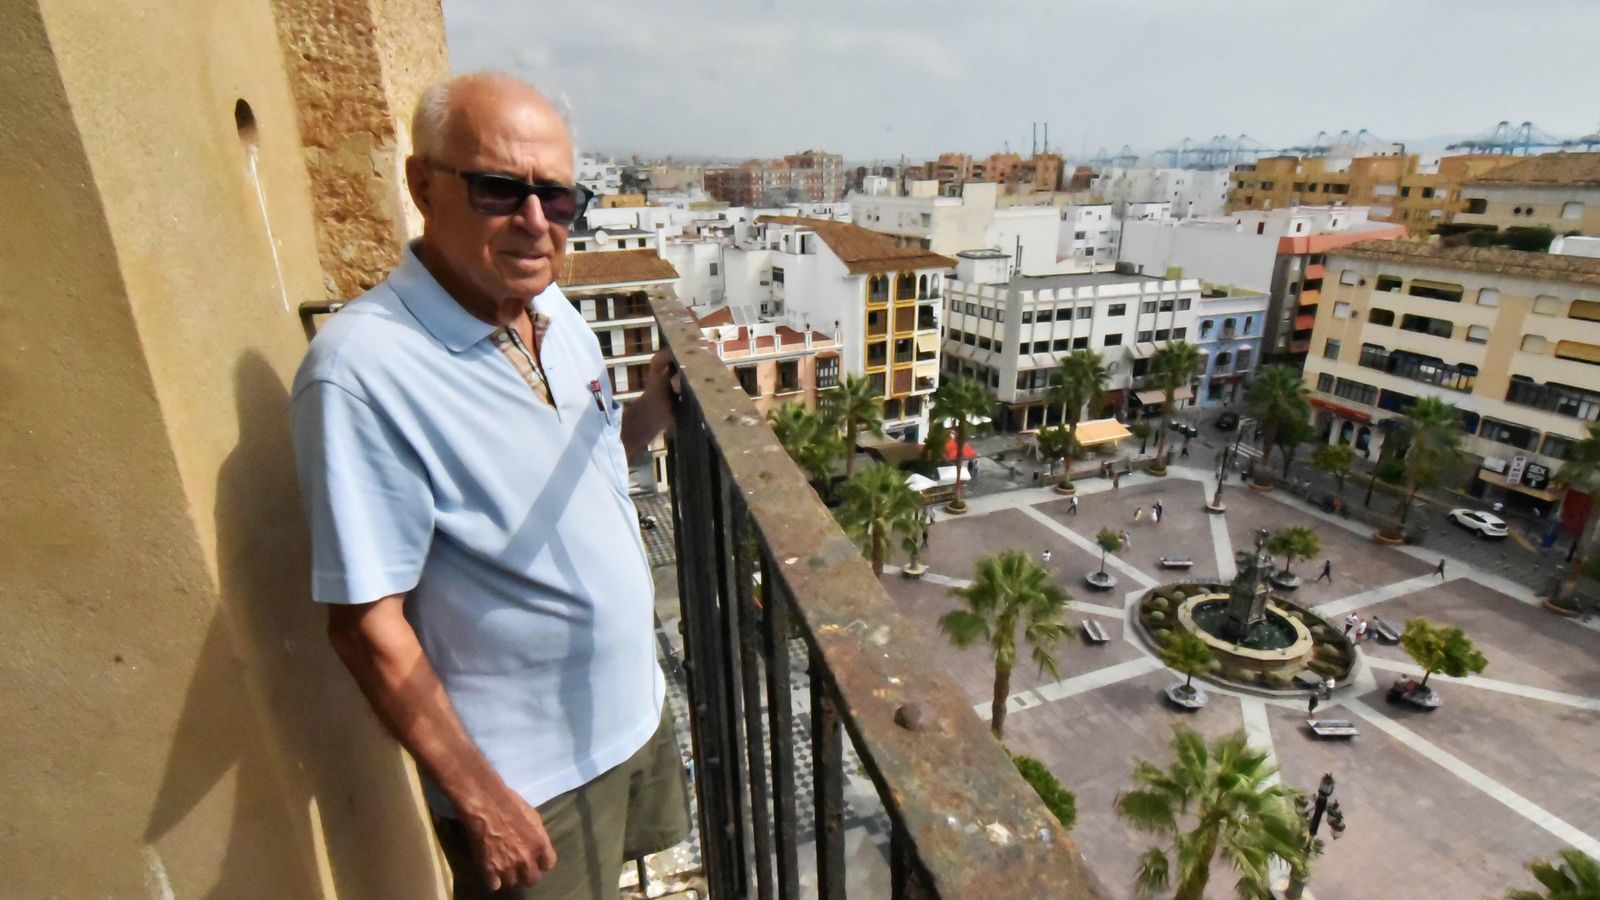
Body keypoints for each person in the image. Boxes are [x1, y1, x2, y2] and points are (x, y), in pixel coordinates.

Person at [291, 73, 688, 898]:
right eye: (500, 189)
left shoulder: (554, 315)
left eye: (559, 197)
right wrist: (480, 800)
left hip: (628, 716)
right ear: (422, 184)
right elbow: (365, 627)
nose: (536, 221)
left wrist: (651, 409)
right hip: (530, 782)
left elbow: (588, 464)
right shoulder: (362, 371)